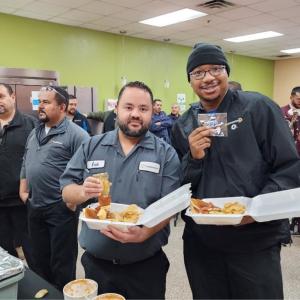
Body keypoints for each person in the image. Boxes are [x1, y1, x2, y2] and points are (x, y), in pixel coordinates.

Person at [171, 42, 300, 299]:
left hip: (255, 240)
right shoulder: (184, 124)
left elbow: (289, 168)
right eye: (198, 72)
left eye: (215, 69)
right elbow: (179, 186)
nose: (207, 77)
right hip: (203, 243)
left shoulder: (258, 108)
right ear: (190, 80)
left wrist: (254, 210)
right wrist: (194, 158)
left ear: (226, 72)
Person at [60, 81, 180, 299]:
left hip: (145, 266)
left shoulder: (166, 154)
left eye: (143, 109)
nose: (135, 114)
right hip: (97, 265)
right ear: (116, 110)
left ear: (152, 112)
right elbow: (66, 191)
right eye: (128, 107)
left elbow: (170, 207)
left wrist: (146, 232)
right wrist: (82, 192)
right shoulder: (91, 146)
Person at [20, 86, 90, 290]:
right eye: (39, 102)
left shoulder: (77, 135)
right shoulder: (35, 131)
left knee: (62, 265)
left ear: (62, 106)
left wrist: (72, 200)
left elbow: (90, 170)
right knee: (39, 261)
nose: (40, 106)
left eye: (46, 102)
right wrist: (23, 189)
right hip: (35, 205)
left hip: (60, 209)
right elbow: (26, 160)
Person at [0, 83, 36, 267]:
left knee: (33, 250)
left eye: (1, 96)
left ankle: (41, 287)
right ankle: (15, 289)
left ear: (13, 97)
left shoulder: (31, 125)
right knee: (4, 252)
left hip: (23, 201)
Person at [281, 86, 300, 234]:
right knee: (289, 189)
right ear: (292, 97)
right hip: (287, 157)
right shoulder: (281, 112)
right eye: (299, 99)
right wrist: (291, 123)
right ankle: (285, 222)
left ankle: (297, 221)